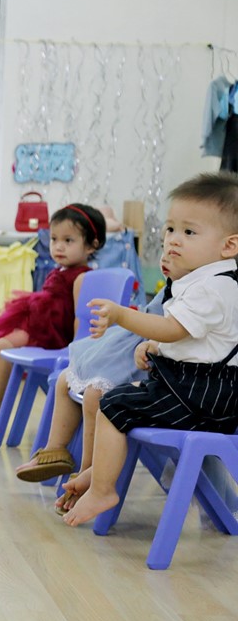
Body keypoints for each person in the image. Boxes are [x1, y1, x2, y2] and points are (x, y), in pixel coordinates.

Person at [64, 172, 238, 526]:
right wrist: (155, 347)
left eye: (189, 232)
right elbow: (196, 339)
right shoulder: (204, 282)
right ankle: (99, 473)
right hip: (195, 388)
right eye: (170, 229)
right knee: (127, 399)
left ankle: (102, 488)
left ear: (228, 246)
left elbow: (172, 328)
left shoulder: (214, 288)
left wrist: (122, 315)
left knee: (115, 404)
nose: (173, 239)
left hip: (205, 396)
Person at [15, 258, 176, 514]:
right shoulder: (174, 284)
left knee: (94, 395)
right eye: (166, 243)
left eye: (184, 239)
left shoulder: (199, 293)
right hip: (131, 349)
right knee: (65, 379)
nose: (167, 253)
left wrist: (129, 323)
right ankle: (56, 450)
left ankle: (89, 473)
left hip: (149, 366)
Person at [0, 203, 107, 432]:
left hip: (54, 335)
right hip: (36, 324)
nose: (58, 246)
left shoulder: (83, 278)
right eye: (54, 239)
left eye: (68, 241)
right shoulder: (60, 269)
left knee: (0, 346)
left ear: (91, 245)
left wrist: (76, 350)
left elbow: (80, 320)